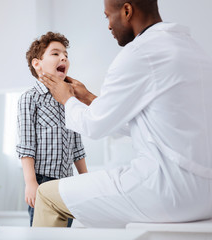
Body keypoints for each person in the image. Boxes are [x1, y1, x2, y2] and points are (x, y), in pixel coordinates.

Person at [33, 0, 212, 228]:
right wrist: (87, 97)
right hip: (206, 194)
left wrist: (65, 97)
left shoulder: (139, 53)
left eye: (108, 16)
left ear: (127, 11)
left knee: (47, 194)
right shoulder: (193, 49)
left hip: (168, 192)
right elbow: (142, 123)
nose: (108, 25)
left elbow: (94, 127)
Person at [16, 32, 88, 227]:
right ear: (37, 64)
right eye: (55, 53)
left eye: (65, 54)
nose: (63, 57)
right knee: (44, 233)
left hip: (67, 183)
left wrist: (85, 178)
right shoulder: (30, 99)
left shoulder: (69, 99)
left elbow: (76, 144)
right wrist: (31, 183)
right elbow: (26, 145)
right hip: (43, 181)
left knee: (64, 231)